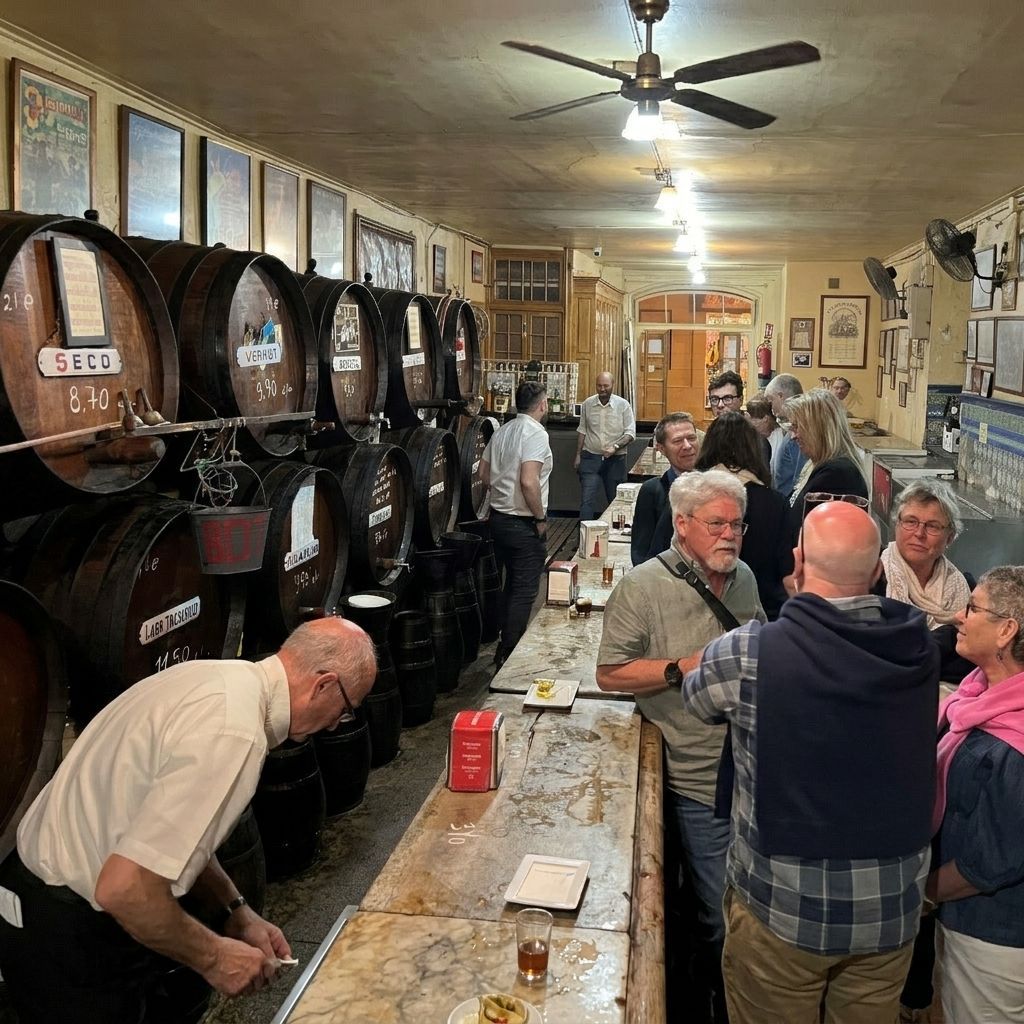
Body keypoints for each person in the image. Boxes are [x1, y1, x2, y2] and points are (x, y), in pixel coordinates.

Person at [0, 617, 377, 1024]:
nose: (337, 723)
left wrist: (236, 910)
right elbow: (124, 888)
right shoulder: (234, 731)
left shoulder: (220, 678)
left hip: (44, 896)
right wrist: (214, 958)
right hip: (65, 928)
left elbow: (171, 838)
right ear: (322, 684)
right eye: (345, 708)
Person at [680, 500, 939, 1024]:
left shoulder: (750, 652)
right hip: (889, 911)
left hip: (783, 909)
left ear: (796, 562)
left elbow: (697, 700)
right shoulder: (917, 648)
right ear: (876, 572)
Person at [597, 470, 765, 1021]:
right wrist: (684, 668)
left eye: (737, 524)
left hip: (751, 766)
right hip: (693, 776)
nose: (730, 535)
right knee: (720, 911)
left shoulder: (743, 579)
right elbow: (611, 673)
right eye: (717, 523)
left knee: (753, 907)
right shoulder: (643, 587)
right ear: (683, 524)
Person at [928, 566, 1024, 1024]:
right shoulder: (980, 694)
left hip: (995, 939)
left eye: (973, 607)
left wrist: (921, 893)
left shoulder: (1017, 743)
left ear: (1007, 630)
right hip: (967, 923)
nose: (958, 617)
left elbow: (993, 861)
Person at [480, 380, 552, 669]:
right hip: (523, 523)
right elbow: (528, 480)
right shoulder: (536, 434)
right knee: (524, 590)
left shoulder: (503, 430)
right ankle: (509, 654)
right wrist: (540, 518)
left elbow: (484, 474)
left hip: (498, 520)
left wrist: (502, 491)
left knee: (509, 585)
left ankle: (503, 643)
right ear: (543, 404)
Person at [695, 412, 792, 619]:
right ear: (754, 449)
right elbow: (787, 568)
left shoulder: (692, 497)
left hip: (698, 610)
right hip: (760, 613)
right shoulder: (776, 503)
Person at [783, 387, 868, 546]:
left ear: (817, 429)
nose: (793, 436)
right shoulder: (815, 464)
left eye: (797, 427)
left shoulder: (837, 475)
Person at [630, 412, 701, 565]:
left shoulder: (714, 488)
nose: (687, 446)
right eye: (677, 441)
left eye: (691, 438)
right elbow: (640, 551)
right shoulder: (651, 491)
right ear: (661, 448)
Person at [574, 371, 636, 522]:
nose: (602, 389)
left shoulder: (623, 405)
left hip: (615, 459)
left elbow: (631, 433)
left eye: (606, 386)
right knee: (586, 500)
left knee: (616, 501)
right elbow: (583, 430)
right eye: (599, 386)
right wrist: (577, 454)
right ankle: (583, 539)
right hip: (590, 457)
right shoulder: (588, 404)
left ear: (612, 385)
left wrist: (615, 446)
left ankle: (618, 536)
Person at [763, 373, 807, 497]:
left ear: (781, 396)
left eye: (770, 401)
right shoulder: (792, 426)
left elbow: (800, 479)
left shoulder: (800, 431)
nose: (770, 407)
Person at [745, 396, 785, 470]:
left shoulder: (780, 437)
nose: (749, 423)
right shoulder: (750, 437)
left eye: (751, 418)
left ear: (765, 419)